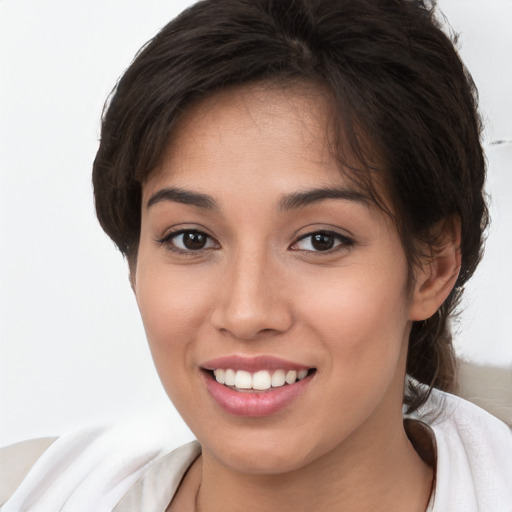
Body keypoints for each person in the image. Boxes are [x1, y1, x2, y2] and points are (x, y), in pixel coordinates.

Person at [2, 0, 511, 510]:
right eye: (191, 239)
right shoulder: (31, 492)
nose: (246, 314)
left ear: (433, 268)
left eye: (321, 240)